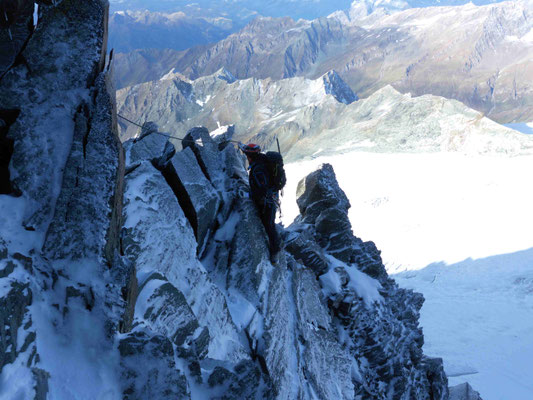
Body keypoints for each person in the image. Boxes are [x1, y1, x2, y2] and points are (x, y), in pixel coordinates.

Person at [240, 143, 281, 263]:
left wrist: (248, 195)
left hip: (267, 202)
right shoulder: (262, 160)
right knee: (269, 224)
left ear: (250, 156)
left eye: (247, 155)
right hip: (271, 199)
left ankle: (275, 251)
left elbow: (262, 190)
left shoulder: (258, 169)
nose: (246, 158)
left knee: (269, 226)